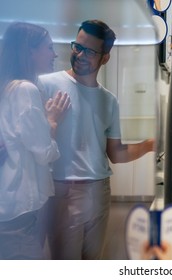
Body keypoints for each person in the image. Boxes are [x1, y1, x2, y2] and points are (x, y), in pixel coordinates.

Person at [39, 19, 154, 260]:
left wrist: (152, 144)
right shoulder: (46, 85)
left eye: (90, 51)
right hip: (62, 189)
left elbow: (116, 153)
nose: (80, 55)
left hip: (100, 189)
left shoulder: (109, 100)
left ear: (105, 57)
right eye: (77, 46)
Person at [0, 22, 69, 259]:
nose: (55, 54)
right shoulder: (25, 90)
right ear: (29, 50)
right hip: (22, 205)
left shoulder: (8, 87)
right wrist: (52, 120)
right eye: (49, 48)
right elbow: (45, 153)